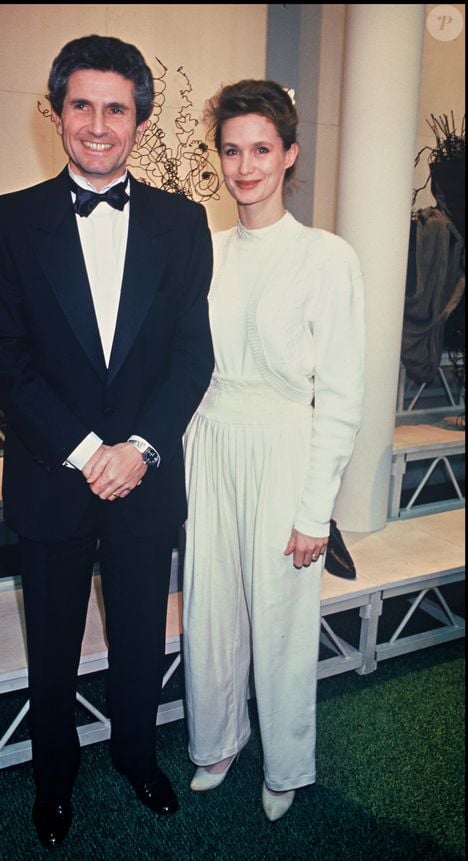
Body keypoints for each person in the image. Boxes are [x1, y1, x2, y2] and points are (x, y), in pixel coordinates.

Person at [0, 34, 214, 847]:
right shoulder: (9, 220)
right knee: (52, 640)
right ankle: (54, 775)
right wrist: (86, 451)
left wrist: (138, 447)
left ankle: (139, 756)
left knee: (144, 630)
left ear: (140, 120)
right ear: (58, 113)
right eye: (83, 105)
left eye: (117, 107)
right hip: (52, 470)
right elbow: (2, 359)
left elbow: (192, 353)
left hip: (144, 471)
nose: (99, 124)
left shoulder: (184, 223)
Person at [182, 79, 365, 822]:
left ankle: (286, 761)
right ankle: (218, 738)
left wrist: (314, 509)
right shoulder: (203, 251)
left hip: (287, 445)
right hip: (211, 441)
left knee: (283, 618)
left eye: (261, 148)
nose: (245, 165)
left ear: (289, 154)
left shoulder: (327, 257)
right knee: (211, 608)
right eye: (231, 149)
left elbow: (344, 395)